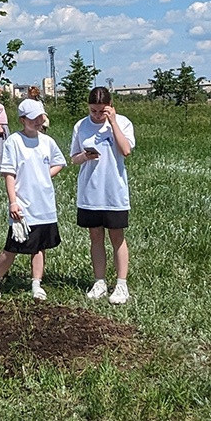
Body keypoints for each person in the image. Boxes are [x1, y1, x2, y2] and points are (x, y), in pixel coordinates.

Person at [0, 98, 66, 301]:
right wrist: (13, 201)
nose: (38, 121)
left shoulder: (47, 142)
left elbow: (60, 162)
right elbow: (9, 173)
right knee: (13, 246)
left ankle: (36, 283)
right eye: (33, 118)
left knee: (39, 247)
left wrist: (44, 176)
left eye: (41, 117)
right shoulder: (14, 141)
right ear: (22, 120)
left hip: (44, 204)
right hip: (23, 204)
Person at [69, 86, 135, 304]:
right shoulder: (81, 125)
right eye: (93, 111)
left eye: (101, 111)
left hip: (114, 191)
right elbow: (73, 159)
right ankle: (99, 281)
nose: (97, 116)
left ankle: (121, 284)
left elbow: (125, 150)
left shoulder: (122, 123)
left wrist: (113, 123)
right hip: (90, 191)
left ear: (110, 107)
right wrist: (85, 156)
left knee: (117, 237)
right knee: (95, 237)